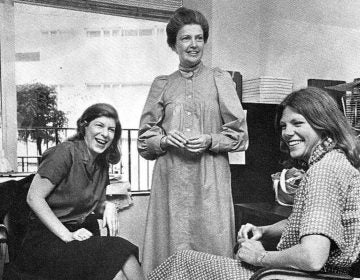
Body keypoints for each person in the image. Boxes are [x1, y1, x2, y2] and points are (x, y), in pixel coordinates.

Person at [147, 87, 360, 280]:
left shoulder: (324, 172)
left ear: (322, 124)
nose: (287, 133)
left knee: (181, 263)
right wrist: (264, 230)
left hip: (303, 277)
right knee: (185, 261)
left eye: (297, 123)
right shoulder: (334, 162)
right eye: (284, 126)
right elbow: (311, 224)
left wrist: (260, 257)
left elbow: (312, 257)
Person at [137, 6, 248, 276]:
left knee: (211, 247)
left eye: (199, 38)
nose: (194, 44)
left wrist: (211, 140)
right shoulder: (162, 84)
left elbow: (240, 136)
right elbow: (144, 140)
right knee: (170, 248)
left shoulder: (221, 80)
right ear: (174, 44)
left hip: (209, 179)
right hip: (170, 180)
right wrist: (163, 141)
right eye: (186, 38)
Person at [14, 103, 144, 280]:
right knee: (122, 249)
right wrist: (67, 235)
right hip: (45, 241)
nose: (105, 134)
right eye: (99, 125)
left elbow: (87, 203)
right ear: (84, 126)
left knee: (118, 274)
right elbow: (33, 198)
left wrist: (108, 206)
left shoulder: (101, 164)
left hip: (77, 236)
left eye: (111, 130)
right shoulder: (64, 153)